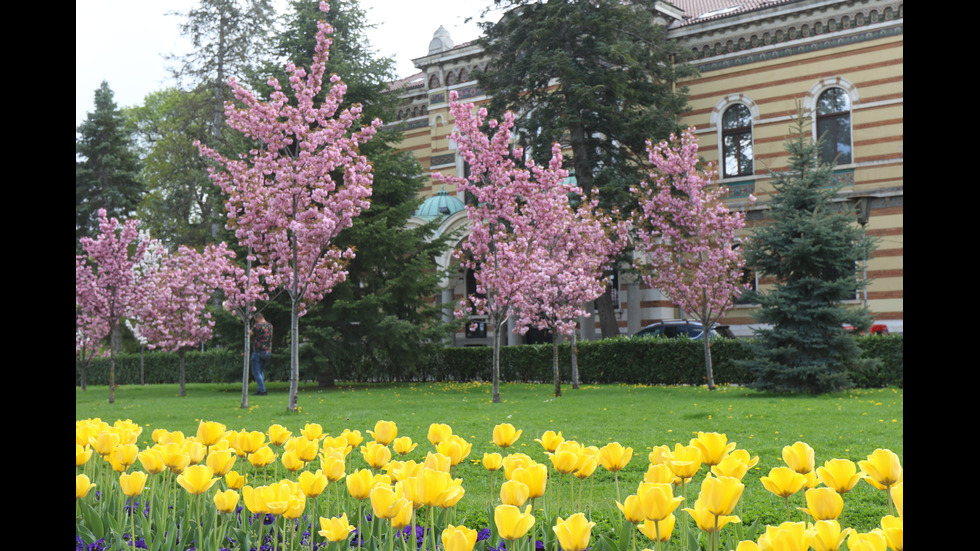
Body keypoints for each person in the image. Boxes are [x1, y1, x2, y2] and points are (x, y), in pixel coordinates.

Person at [250, 313, 273, 396]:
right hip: (268, 352)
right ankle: (261, 389)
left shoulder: (257, 326)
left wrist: (248, 323)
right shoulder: (270, 326)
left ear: (256, 318)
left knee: (256, 372)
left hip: (258, 351)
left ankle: (262, 390)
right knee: (260, 371)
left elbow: (249, 334)